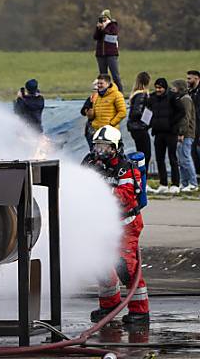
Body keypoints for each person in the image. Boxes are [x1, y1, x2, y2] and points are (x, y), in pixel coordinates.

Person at [82, 126, 149, 325]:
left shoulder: (125, 167)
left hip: (126, 224)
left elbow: (127, 196)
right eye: (98, 146)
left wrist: (100, 192)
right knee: (101, 265)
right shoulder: (90, 162)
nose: (101, 151)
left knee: (126, 267)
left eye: (106, 147)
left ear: (116, 147)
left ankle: (140, 311)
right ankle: (109, 305)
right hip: (102, 224)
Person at [148, 78, 179, 194]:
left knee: (172, 158)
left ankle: (175, 184)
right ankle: (163, 183)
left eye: (160, 88)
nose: (158, 90)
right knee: (159, 159)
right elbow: (147, 111)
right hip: (158, 133)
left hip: (171, 133)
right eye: (156, 87)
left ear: (165, 88)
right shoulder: (152, 98)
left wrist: (172, 123)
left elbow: (181, 112)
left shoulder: (172, 97)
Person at [172, 80, 199, 192]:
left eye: (174, 88)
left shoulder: (186, 100)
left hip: (186, 134)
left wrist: (181, 132)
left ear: (179, 88)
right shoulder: (182, 99)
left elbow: (186, 118)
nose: (172, 90)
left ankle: (193, 183)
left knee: (186, 158)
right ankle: (185, 183)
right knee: (182, 160)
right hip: (183, 133)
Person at [86, 74, 126, 149]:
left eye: (101, 83)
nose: (99, 85)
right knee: (96, 156)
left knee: (114, 155)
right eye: (98, 83)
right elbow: (95, 113)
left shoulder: (117, 95)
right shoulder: (97, 95)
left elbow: (122, 112)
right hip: (97, 133)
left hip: (110, 133)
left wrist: (111, 124)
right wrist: (90, 114)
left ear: (107, 84)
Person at [126, 72, 152, 174]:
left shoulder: (135, 94)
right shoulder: (142, 94)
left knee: (141, 153)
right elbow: (136, 112)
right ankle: (142, 178)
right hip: (140, 128)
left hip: (134, 128)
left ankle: (139, 177)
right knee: (146, 154)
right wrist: (147, 119)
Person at [93, 9, 122, 92]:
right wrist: (98, 29)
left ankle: (120, 93)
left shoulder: (113, 25)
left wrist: (103, 28)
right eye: (102, 18)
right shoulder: (100, 26)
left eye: (105, 18)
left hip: (111, 54)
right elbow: (95, 37)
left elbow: (112, 34)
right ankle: (104, 93)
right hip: (100, 54)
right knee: (103, 76)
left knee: (115, 75)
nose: (103, 20)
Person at [188, 70, 200, 189]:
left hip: (198, 126)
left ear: (197, 79)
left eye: (190, 79)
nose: (188, 81)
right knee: (193, 152)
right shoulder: (191, 92)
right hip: (193, 128)